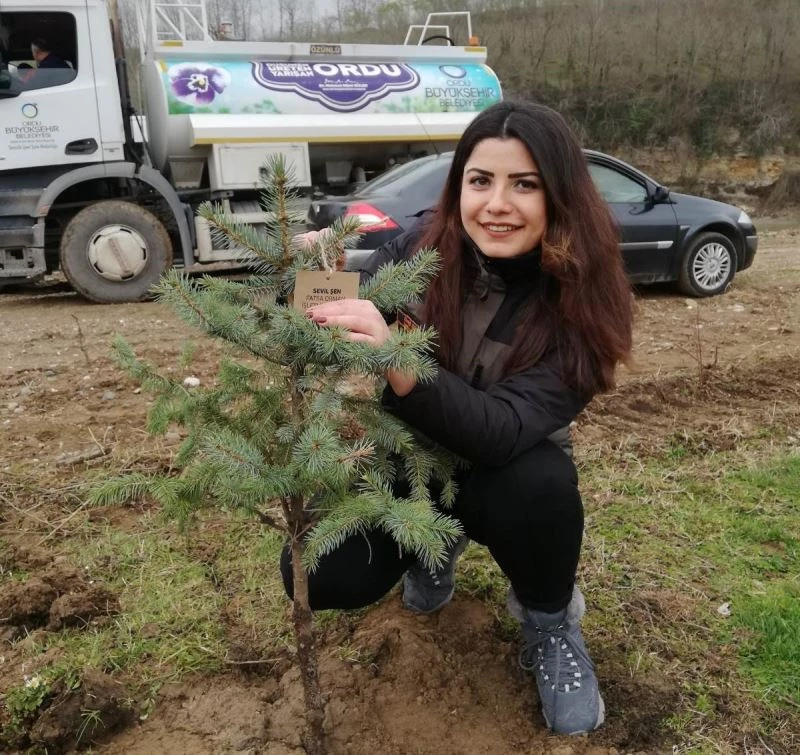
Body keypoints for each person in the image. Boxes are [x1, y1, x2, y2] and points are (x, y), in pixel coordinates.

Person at [283, 101, 634, 735]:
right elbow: (326, 321)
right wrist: (316, 270)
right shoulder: (422, 250)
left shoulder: (585, 300)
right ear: (459, 187)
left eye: (523, 184)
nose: (496, 203)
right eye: (481, 180)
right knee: (312, 569)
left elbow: (499, 431)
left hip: (509, 474)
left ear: (560, 195)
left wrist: (396, 357)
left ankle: (550, 622)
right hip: (411, 462)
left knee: (542, 486)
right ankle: (434, 541)